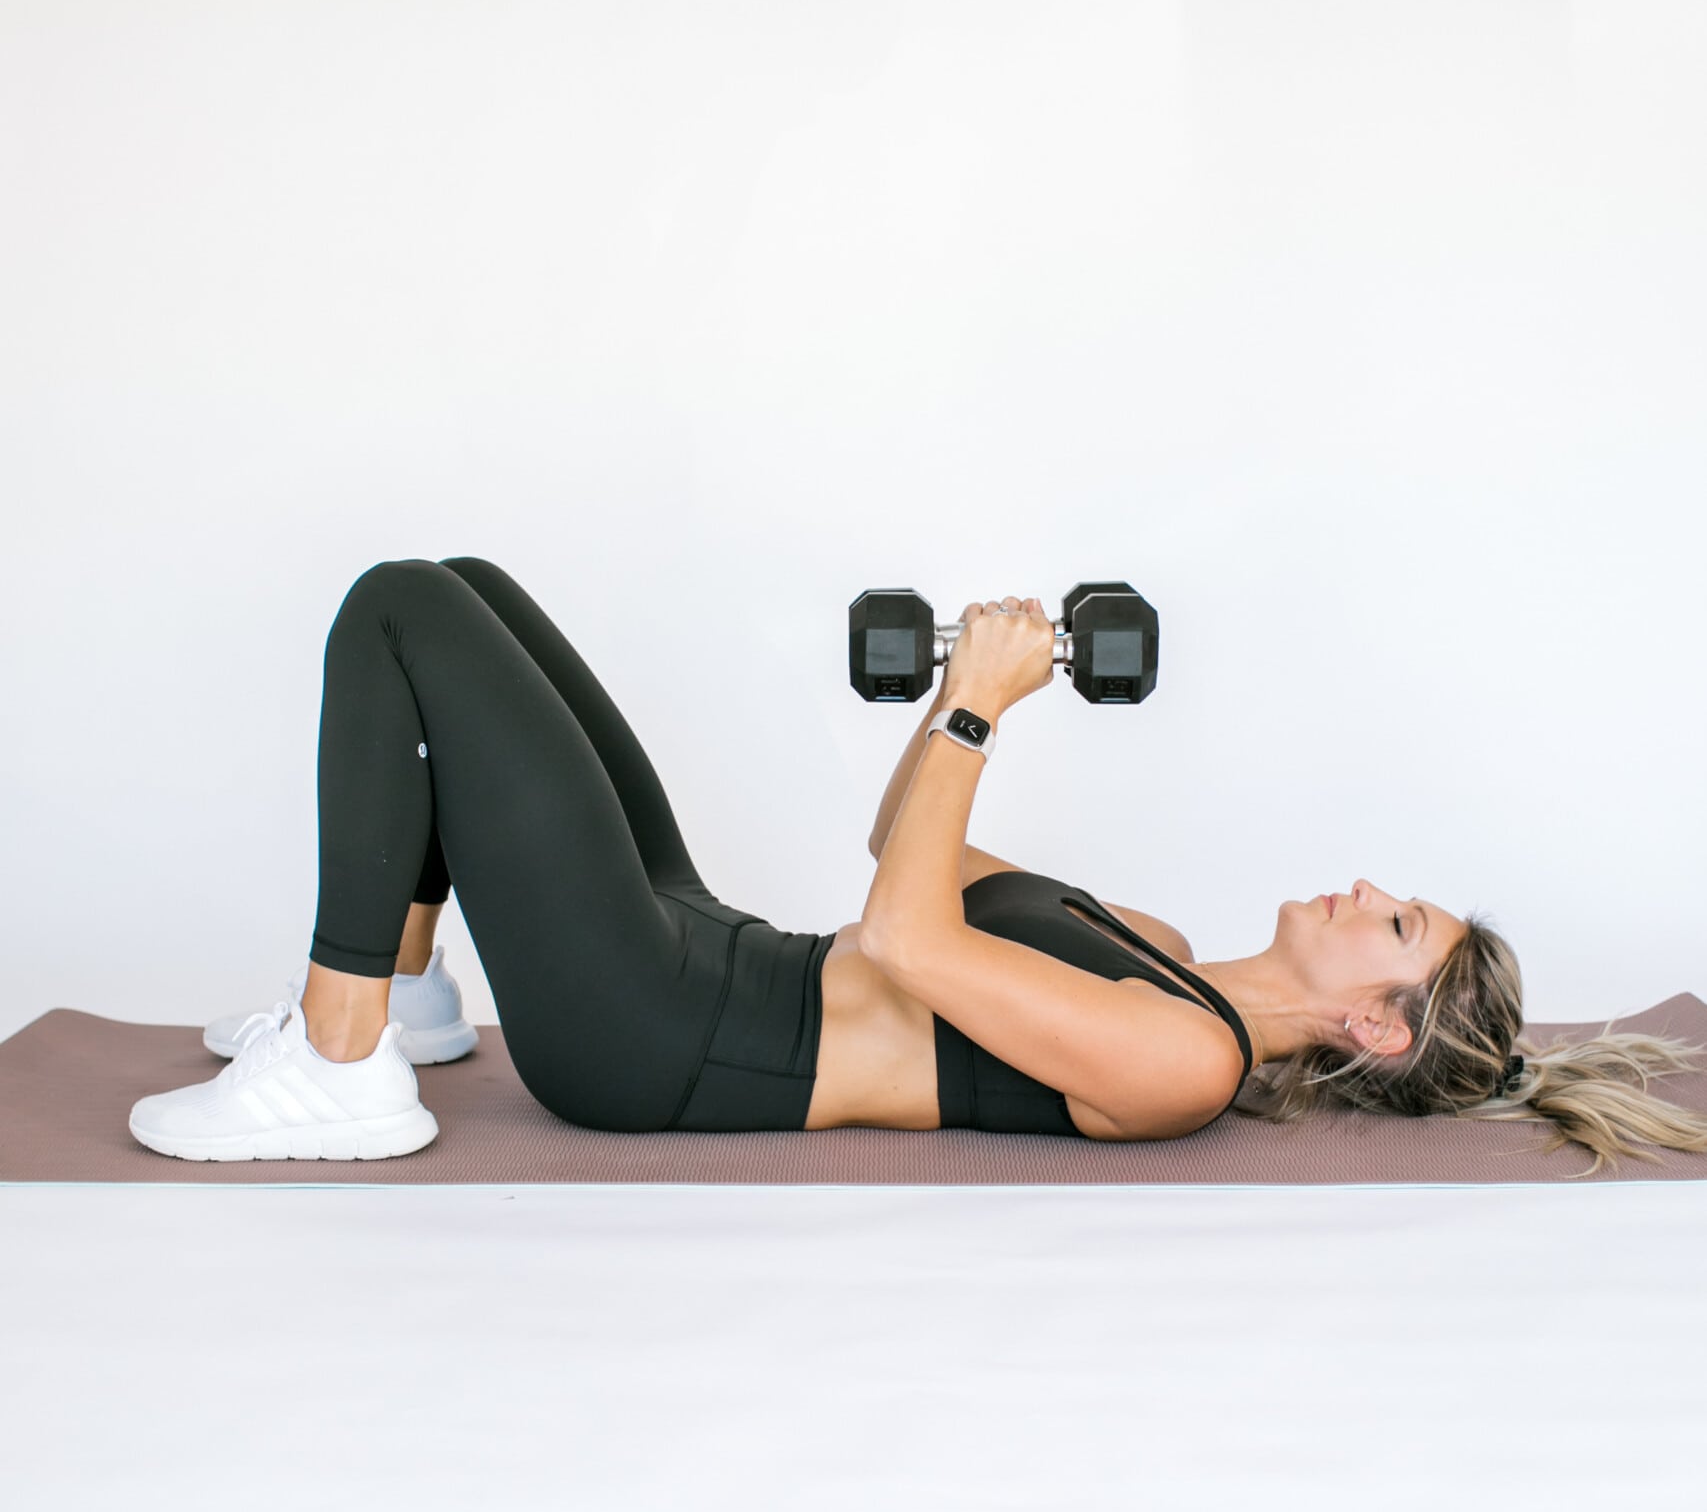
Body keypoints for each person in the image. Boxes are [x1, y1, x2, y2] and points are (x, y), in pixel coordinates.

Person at [128, 559, 1707, 1178]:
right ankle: (399, 1006)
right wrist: (971, 669)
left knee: (403, 610)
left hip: (660, 1037)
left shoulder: (1179, 1058)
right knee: (474, 591)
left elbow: (904, 937)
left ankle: (338, 1067)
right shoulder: (1153, 946)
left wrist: (977, 707)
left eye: (1396, 922)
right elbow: (909, 852)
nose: (1365, 890)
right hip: (705, 943)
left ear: (1377, 1024)